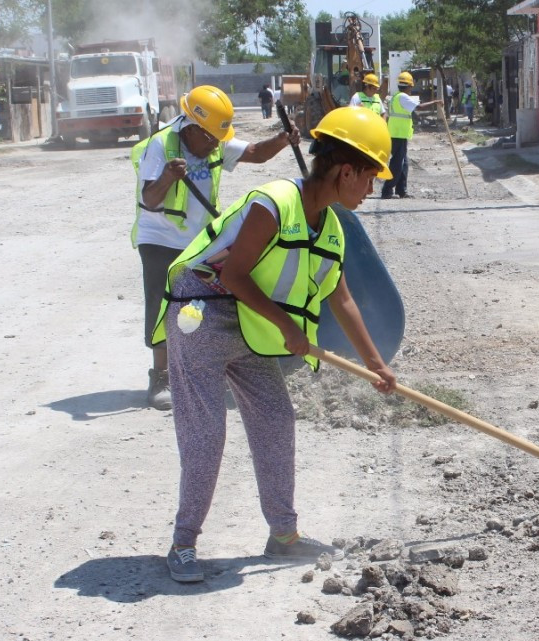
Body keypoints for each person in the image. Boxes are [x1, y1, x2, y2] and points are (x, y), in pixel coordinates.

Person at [151, 106, 398, 583]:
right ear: (347, 171)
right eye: (371, 179)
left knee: (275, 417)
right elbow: (237, 275)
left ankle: (283, 536)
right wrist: (288, 328)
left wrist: (377, 365)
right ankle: (183, 543)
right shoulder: (273, 203)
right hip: (203, 311)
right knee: (207, 433)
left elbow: (341, 297)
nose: (372, 190)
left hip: (251, 323)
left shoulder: (330, 226)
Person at [131, 85, 300, 411]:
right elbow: (149, 200)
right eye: (209, 137)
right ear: (190, 127)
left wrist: (282, 140)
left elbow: (255, 152)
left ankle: (211, 369)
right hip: (160, 238)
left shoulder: (214, 142)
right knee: (162, 306)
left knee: (212, 301)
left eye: (217, 139)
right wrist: (167, 176)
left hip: (197, 239)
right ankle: (161, 376)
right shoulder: (160, 146)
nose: (214, 145)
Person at [380, 71, 442, 200]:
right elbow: (418, 107)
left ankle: (401, 190)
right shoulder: (403, 97)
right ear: (409, 86)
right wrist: (435, 102)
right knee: (397, 163)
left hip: (399, 134)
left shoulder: (397, 96)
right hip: (398, 134)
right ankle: (387, 190)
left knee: (404, 164)